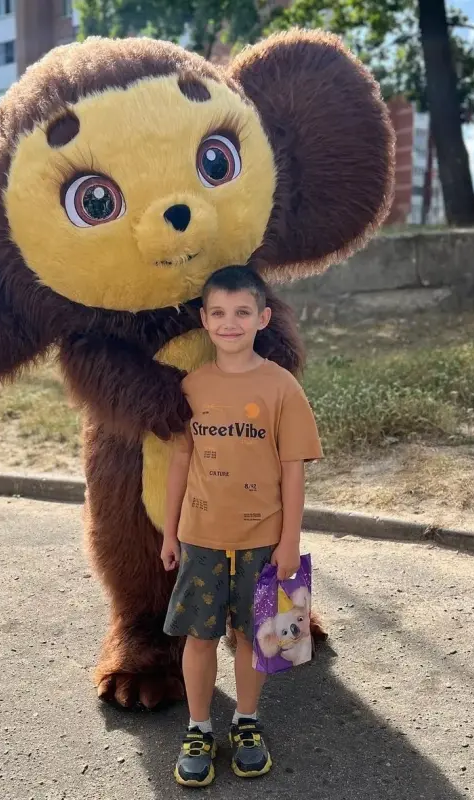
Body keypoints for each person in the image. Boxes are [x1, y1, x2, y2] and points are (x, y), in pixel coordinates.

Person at [161, 265, 323, 787]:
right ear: (204, 320)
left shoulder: (281, 387)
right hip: (201, 537)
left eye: (242, 313)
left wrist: (290, 542)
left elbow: (292, 468)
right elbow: (180, 465)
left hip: (263, 539)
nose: (230, 323)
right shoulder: (191, 387)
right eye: (220, 313)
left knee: (255, 636)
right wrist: (169, 532)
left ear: (262, 318)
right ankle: (199, 727)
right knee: (200, 636)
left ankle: (246, 724)